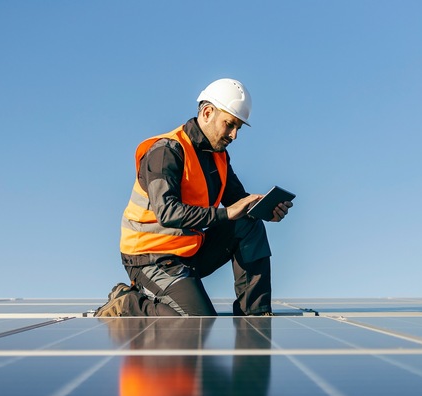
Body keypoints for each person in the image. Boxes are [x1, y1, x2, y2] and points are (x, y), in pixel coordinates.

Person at [93, 78, 292, 317]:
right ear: (207, 112)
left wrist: (265, 210)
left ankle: (255, 314)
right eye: (229, 125)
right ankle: (130, 302)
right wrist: (227, 213)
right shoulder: (166, 151)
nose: (234, 135)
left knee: (248, 223)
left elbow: (238, 202)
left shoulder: (218, 157)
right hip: (150, 258)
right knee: (198, 321)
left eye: (238, 127)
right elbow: (167, 213)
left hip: (189, 252)